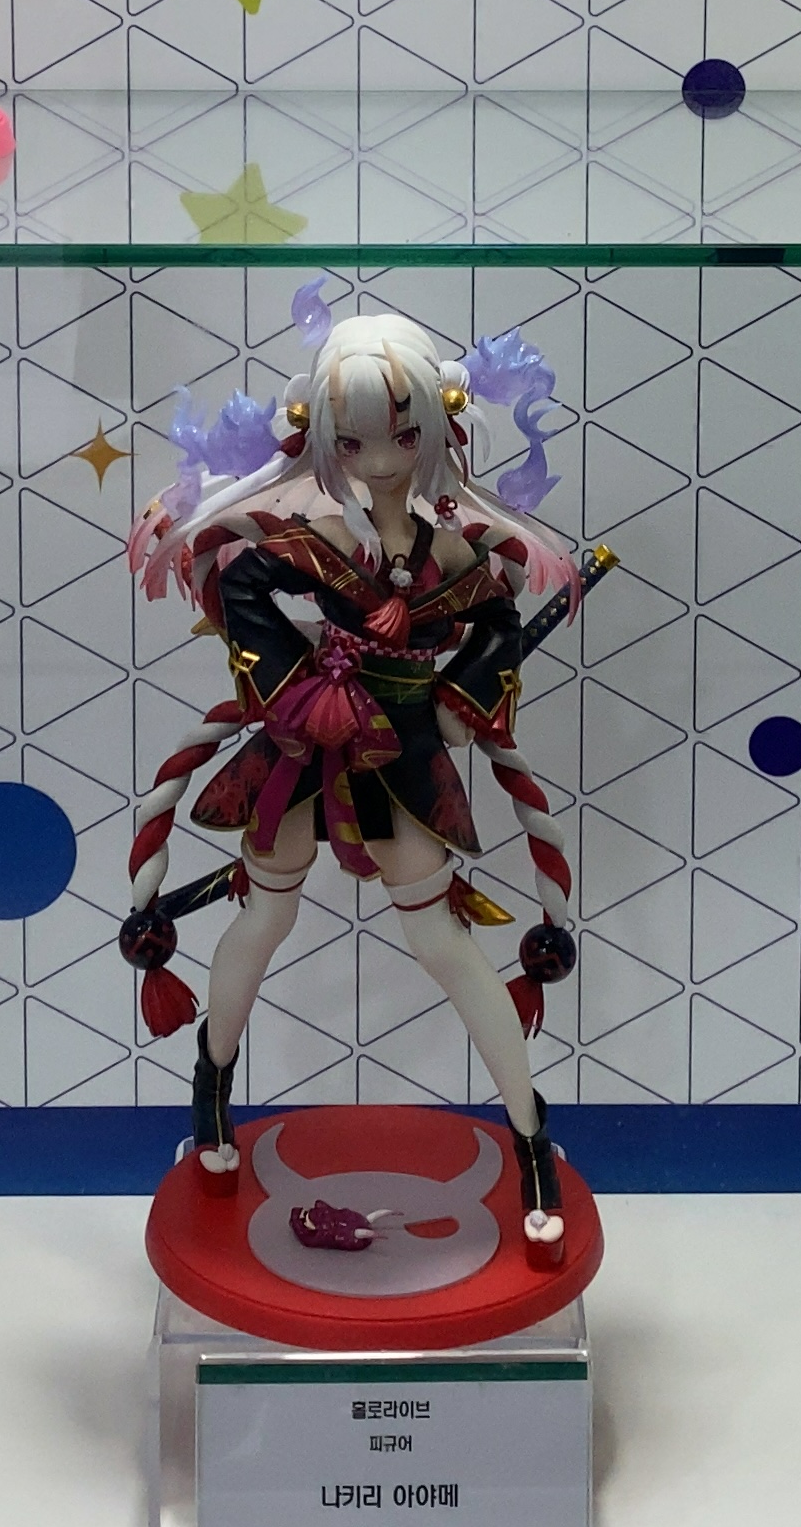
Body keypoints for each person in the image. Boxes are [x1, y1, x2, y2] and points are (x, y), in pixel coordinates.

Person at [119, 305, 596, 1266]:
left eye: (403, 436)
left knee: (444, 945)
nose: (380, 459)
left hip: (405, 758)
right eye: (355, 440)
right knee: (263, 920)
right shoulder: (315, 537)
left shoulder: (453, 548)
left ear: (438, 432)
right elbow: (241, 586)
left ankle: (530, 1131)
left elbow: (500, 623)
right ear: (324, 440)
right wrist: (295, 685)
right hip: (305, 751)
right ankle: (212, 1084)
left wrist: (459, 700)